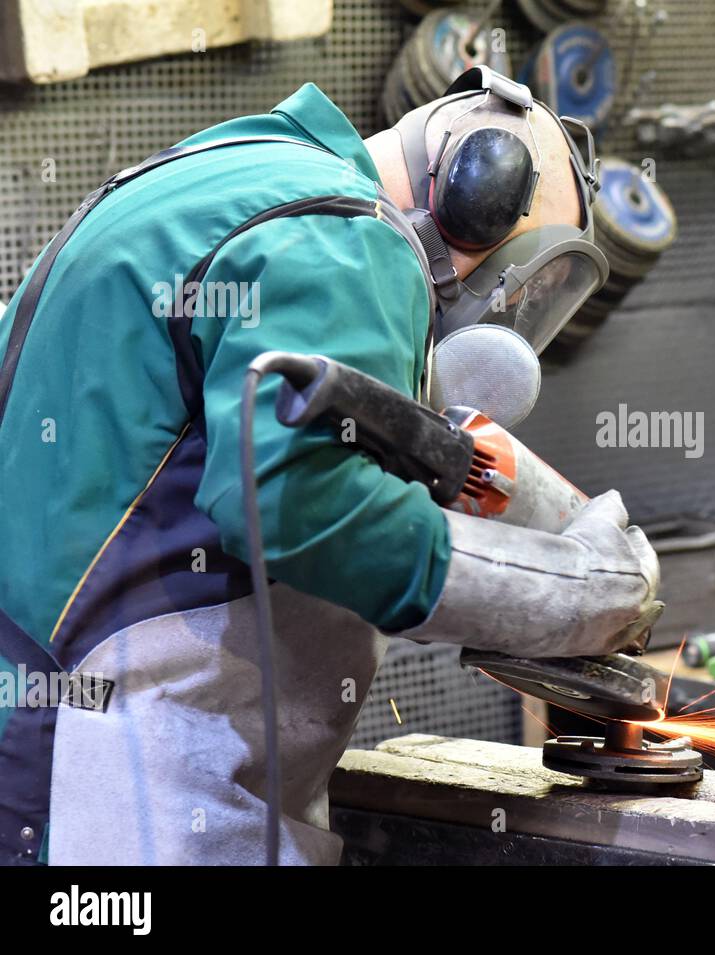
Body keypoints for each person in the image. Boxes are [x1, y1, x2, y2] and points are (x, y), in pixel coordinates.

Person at [0, 67, 659, 866]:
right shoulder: (347, 233)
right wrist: (570, 595)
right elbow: (302, 500)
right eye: (512, 276)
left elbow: (243, 444)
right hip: (122, 801)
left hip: (44, 759)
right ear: (476, 189)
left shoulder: (216, 178)